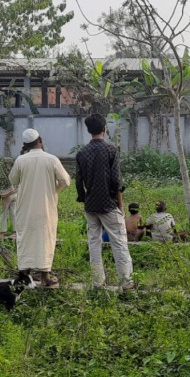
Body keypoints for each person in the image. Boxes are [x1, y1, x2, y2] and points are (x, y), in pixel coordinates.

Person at [75, 113, 134, 290]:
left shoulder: (82, 153)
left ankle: (98, 282)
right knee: (119, 242)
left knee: (94, 243)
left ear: (88, 130)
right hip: (108, 204)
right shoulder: (110, 150)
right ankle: (126, 281)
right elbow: (116, 181)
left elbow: (79, 180)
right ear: (104, 129)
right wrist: (121, 206)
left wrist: (84, 198)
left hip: (91, 204)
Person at [9, 128, 70, 288]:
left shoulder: (21, 160)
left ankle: (24, 275)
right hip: (46, 208)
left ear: (25, 145)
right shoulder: (52, 159)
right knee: (46, 239)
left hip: (25, 208)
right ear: (40, 140)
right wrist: (53, 190)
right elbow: (65, 181)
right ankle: (45, 277)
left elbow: (13, 180)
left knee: (25, 239)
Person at [0, 157, 17, 239]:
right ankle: (15, 232)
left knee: (4, 213)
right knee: (14, 212)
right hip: (15, 193)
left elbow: (0, 187)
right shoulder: (14, 172)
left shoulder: (2, 173)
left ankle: (2, 232)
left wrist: (6, 193)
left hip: (7, 194)